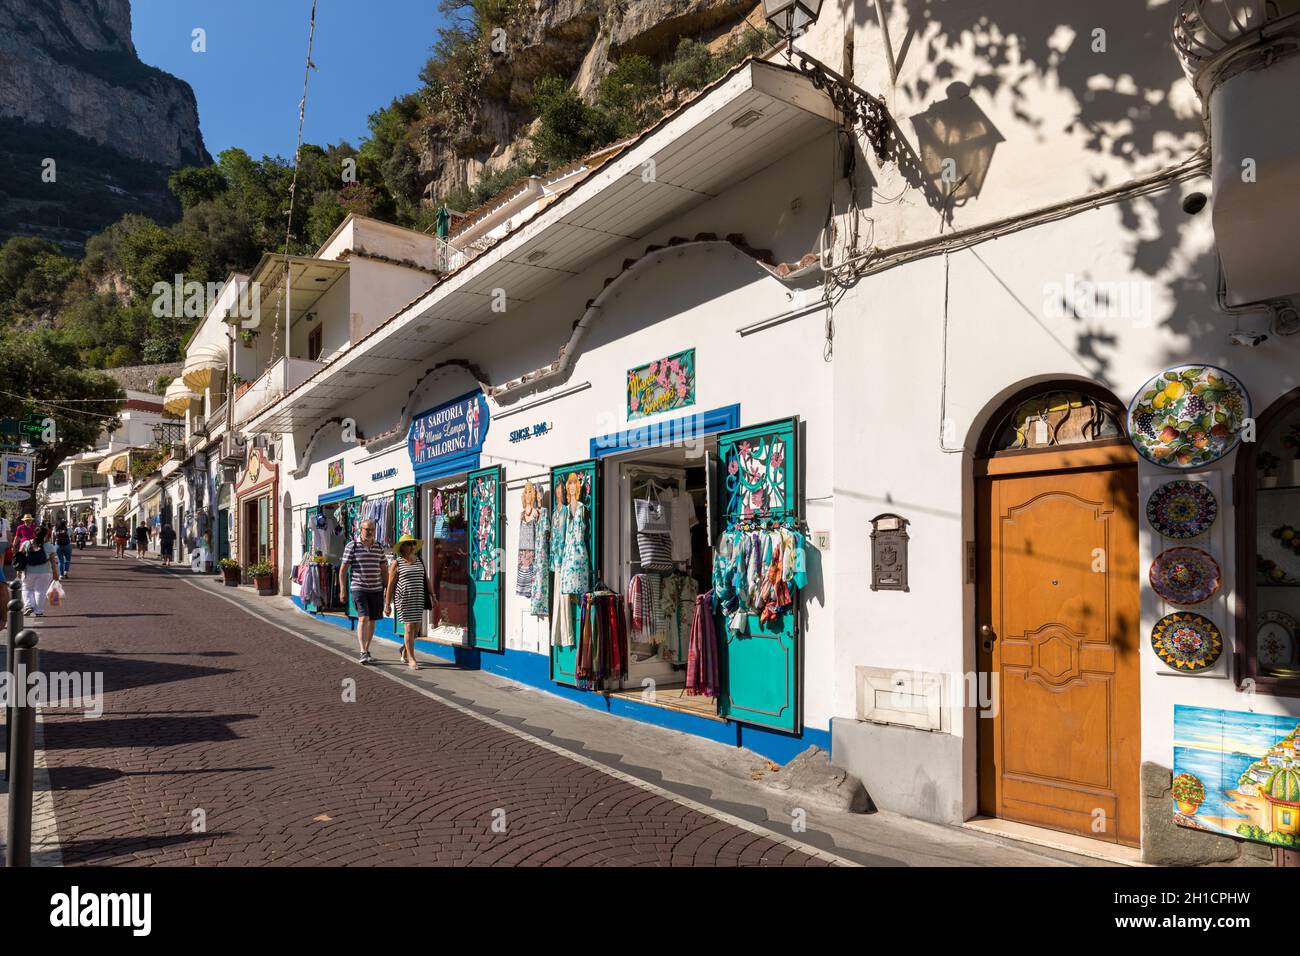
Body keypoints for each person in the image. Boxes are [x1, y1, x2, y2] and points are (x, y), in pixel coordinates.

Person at [339, 518, 388, 665]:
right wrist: (343, 590)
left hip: (376, 589)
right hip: (358, 588)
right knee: (363, 618)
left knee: (372, 620)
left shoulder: (379, 547)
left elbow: (384, 569)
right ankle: (362, 650)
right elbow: (343, 569)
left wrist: (386, 588)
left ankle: (366, 650)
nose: (370, 532)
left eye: (372, 529)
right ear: (360, 529)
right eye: (367, 529)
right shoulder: (352, 546)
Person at [386, 534, 435, 671]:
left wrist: (433, 595)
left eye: (413, 543)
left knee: (416, 630)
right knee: (408, 628)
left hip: (418, 597)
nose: (411, 546)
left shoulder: (420, 560)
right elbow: (390, 585)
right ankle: (412, 659)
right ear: (402, 547)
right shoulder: (397, 562)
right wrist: (387, 604)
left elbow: (426, 579)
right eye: (408, 544)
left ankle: (404, 649)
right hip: (404, 598)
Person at [18, 526, 59, 618]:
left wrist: (19, 570)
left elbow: (19, 557)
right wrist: (55, 573)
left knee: (27, 589)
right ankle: (39, 612)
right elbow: (53, 561)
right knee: (40, 591)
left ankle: (28, 606)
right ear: (45, 535)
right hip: (45, 572)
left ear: (34, 533)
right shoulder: (49, 546)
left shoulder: (26, 543)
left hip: (28, 571)